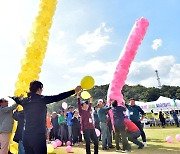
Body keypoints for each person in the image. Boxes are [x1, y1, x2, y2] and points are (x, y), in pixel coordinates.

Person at [10, 80, 82, 154]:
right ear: (39, 89)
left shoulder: (25, 101)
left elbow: (17, 99)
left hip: (26, 135)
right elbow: (58, 97)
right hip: (38, 135)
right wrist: (74, 91)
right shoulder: (41, 99)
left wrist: (13, 97)